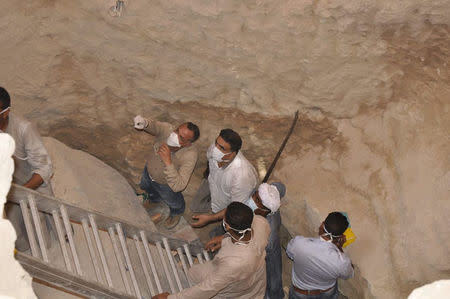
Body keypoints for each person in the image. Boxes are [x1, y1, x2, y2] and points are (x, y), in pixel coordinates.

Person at [152, 201, 270, 299]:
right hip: (255, 274)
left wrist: (171, 298)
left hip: (238, 284)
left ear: (227, 226)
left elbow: (208, 288)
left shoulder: (234, 263)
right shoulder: (260, 222)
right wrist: (224, 238)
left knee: (193, 274)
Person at [205, 182, 286, 299]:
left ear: (265, 210)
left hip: (266, 248)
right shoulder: (271, 192)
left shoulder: (268, 234)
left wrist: (226, 240)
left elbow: (251, 247)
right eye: (255, 194)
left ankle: (275, 295)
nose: (252, 199)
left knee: (272, 269)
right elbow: (280, 187)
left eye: (257, 200)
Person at [0, 87, 54, 251]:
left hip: (33, 184)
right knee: (13, 225)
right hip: (11, 186)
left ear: (5, 112)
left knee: (40, 222)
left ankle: (50, 251)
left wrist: (20, 192)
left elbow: (44, 168)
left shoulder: (24, 129)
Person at [134, 115, 200, 229]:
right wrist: (144, 123)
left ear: (188, 143)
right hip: (148, 172)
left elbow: (179, 185)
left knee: (173, 201)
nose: (174, 135)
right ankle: (154, 200)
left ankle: (176, 213)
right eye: (177, 131)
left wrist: (168, 162)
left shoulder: (190, 155)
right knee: (147, 187)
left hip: (165, 184)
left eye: (182, 138)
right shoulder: (168, 130)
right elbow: (155, 126)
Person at [190, 129, 258, 235]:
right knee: (195, 205)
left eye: (221, 148)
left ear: (233, 153)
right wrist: (207, 175)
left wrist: (210, 218)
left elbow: (235, 208)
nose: (215, 148)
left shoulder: (242, 176)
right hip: (212, 181)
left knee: (221, 215)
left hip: (227, 201)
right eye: (217, 143)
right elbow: (209, 161)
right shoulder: (214, 149)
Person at [286, 212, 354, 299]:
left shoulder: (299, 244)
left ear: (322, 225)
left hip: (300, 293)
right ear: (340, 238)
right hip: (327, 294)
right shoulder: (342, 262)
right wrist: (339, 248)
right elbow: (349, 273)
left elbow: (289, 253)